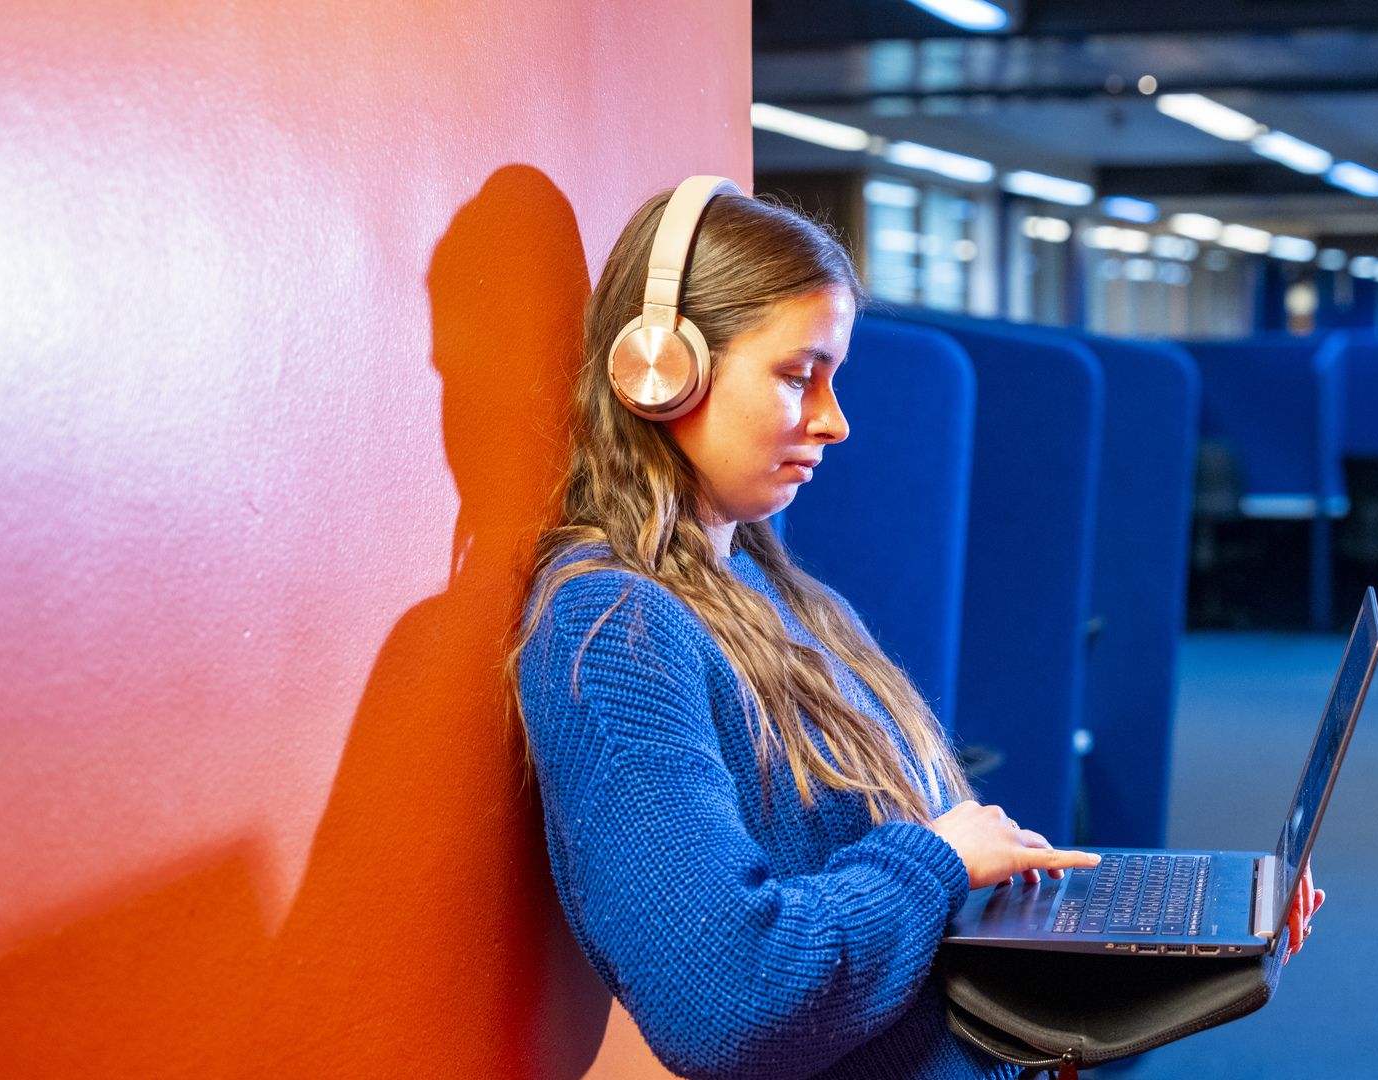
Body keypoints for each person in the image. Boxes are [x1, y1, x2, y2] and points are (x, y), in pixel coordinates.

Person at [510, 178, 1322, 1080]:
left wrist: (1198, 943)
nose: (833, 419)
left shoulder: (775, 591)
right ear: (660, 369)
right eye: (796, 374)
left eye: (835, 376)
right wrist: (936, 857)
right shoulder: (611, 633)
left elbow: (906, 951)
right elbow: (724, 1001)